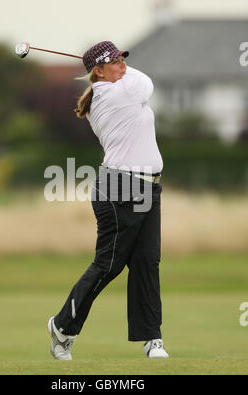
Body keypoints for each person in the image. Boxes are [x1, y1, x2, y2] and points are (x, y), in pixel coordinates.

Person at [48, 41, 169, 360]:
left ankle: (151, 338)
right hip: (119, 187)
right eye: (112, 62)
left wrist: (108, 66)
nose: (122, 65)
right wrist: (109, 71)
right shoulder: (113, 93)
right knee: (108, 265)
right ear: (97, 71)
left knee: (147, 262)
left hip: (147, 187)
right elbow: (147, 82)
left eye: (121, 58)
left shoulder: (112, 87)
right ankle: (62, 327)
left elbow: (133, 77)